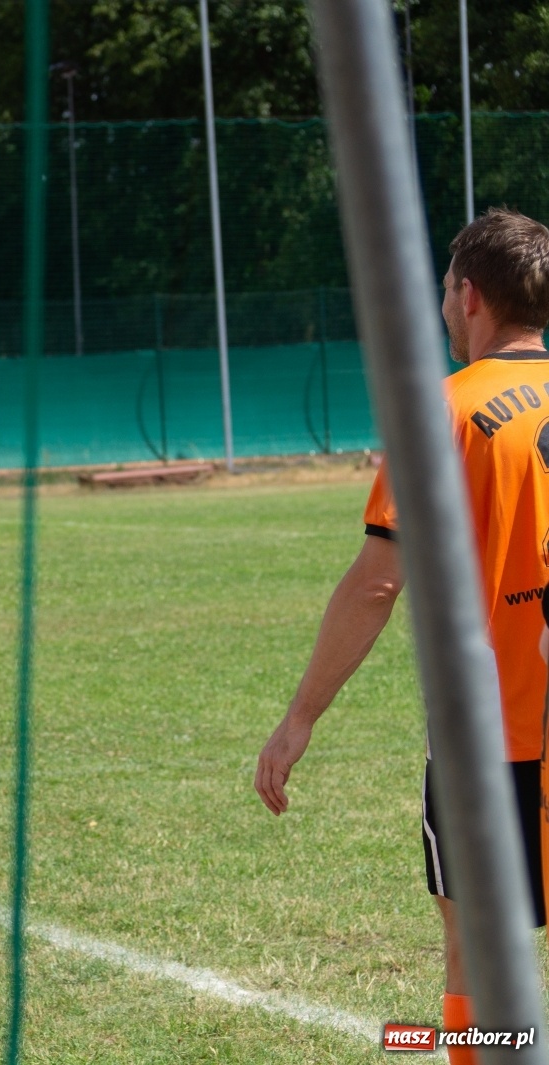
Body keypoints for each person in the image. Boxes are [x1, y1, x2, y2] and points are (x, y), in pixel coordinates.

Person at [254, 208, 549, 1064]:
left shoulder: (446, 410)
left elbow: (382, 579)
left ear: (469, 297)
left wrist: (300, 715)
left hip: (491, 738)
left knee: (479, 955)